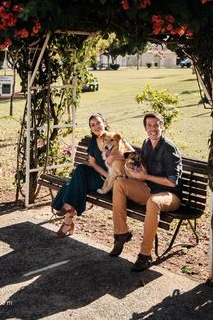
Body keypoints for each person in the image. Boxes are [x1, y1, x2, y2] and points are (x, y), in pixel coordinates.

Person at [110, 112, 183, 271]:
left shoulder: (169, 148)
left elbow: (172, 182)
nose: (153, 128)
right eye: (149, 125)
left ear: (162, 126)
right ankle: (121, 233)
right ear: (145, 128)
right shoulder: (146, 143)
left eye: (156, 125)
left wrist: (145, 175)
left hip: (170, 195)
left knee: (153, 202)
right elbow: (140, 165)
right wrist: (132, 169)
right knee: (120, 183)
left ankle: (145, 255)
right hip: (149, 189)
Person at [52, 113, 111, 238]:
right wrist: (105, 174)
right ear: (91, 128)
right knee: (79, 169)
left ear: (104, 123)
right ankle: (69, 213)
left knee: (69, 185)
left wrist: (109, 176)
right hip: (100, 176)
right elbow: (93, 163)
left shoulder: (114, 139)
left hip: (109, 182)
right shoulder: (93, 142)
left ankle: (68, 214)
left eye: (99, 123)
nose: (96, 127)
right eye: (93, 125)